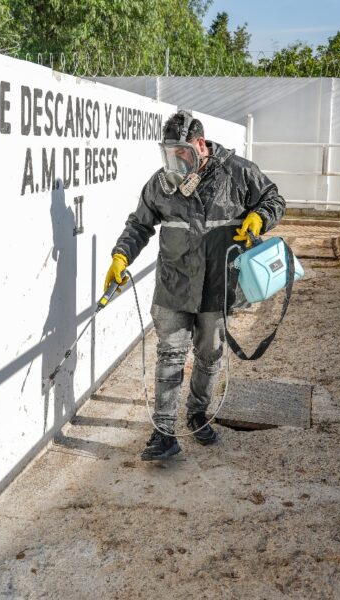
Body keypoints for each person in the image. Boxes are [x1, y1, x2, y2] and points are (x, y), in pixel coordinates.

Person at [104, 110, 285, 461]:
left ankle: (198, 414)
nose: (175, 160)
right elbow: (139, 224)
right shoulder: (161, 184)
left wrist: (259, 216)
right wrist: (121, 256)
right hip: (175, 285)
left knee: (208, 355)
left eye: (181, 152)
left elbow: (274, 199)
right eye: (169, 152)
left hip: (217, 286)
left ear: (200, 145)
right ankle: (164, 433)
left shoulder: (238, 172)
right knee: (170, 356)